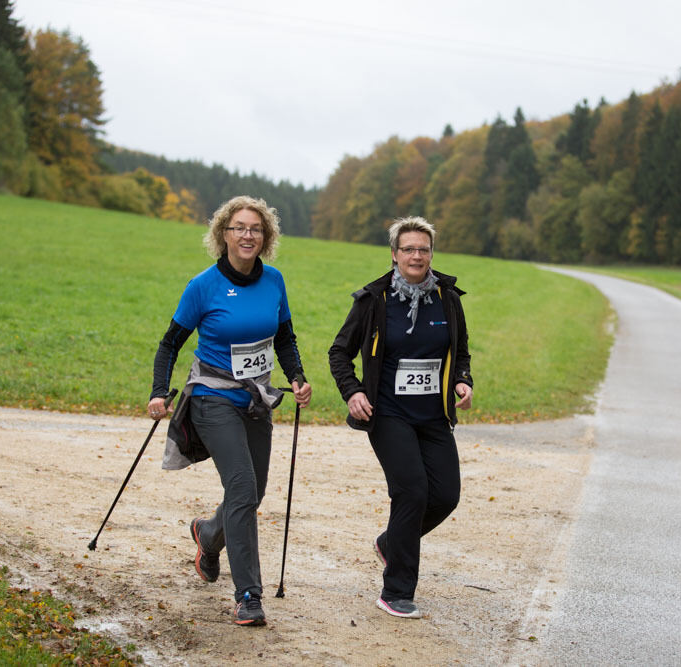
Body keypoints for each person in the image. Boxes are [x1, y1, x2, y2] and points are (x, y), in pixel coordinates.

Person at [147, 195, 311, 627]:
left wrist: (296, 377)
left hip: (255, 399)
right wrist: (159, 392)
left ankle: (207, 534)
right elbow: (170, 343)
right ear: (223, 234)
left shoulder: (274, 281)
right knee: (241, 489)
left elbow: (285, 338)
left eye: (255, 228)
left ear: (266, 237)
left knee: (252, 494)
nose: (247, 235)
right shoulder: (203, 285)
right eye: (239, 227)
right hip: (211, 397)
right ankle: (247, 595)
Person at [328, 216, 473, 620]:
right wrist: (353, 391)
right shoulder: (374, 300)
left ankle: (392, 543)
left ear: (431, 254)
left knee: (445, 496)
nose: (416, 255)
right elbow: (339, 353)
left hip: (432, 416)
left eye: (423, 249)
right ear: (394, 255)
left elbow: (460, 350)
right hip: (388, 413)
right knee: (411, 491)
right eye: (408, 249)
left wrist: (462, 380)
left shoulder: (447, 297)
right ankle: (397, 590)